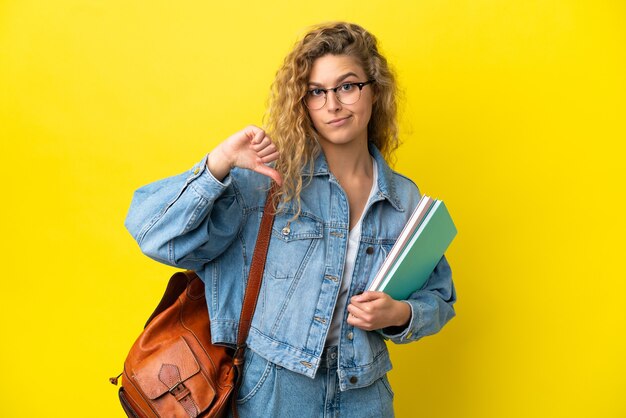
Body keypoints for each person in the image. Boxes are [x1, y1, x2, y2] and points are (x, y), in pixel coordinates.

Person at [125, 21, 456, 418]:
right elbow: (154, 235)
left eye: (347, 86)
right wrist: (218, 163)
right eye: (317, 92)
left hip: (365, 393)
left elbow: (439, 297)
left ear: (375, 89)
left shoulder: (404, 199)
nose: (332, 104)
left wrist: (400, 315)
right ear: (303, 102)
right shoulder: (268, 182)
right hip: (276, 389)